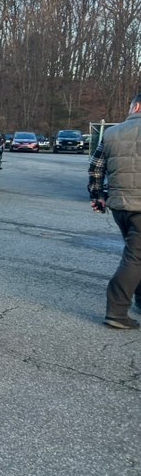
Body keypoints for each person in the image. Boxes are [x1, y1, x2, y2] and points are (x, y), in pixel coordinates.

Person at [88, 92, 141, 329]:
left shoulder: (110, 133)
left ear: (135, 106)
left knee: (136, 255)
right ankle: (117, 312)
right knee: (135, 258)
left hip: (120, 206)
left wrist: (98, 197)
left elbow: (96, 169)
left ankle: (139, 299)